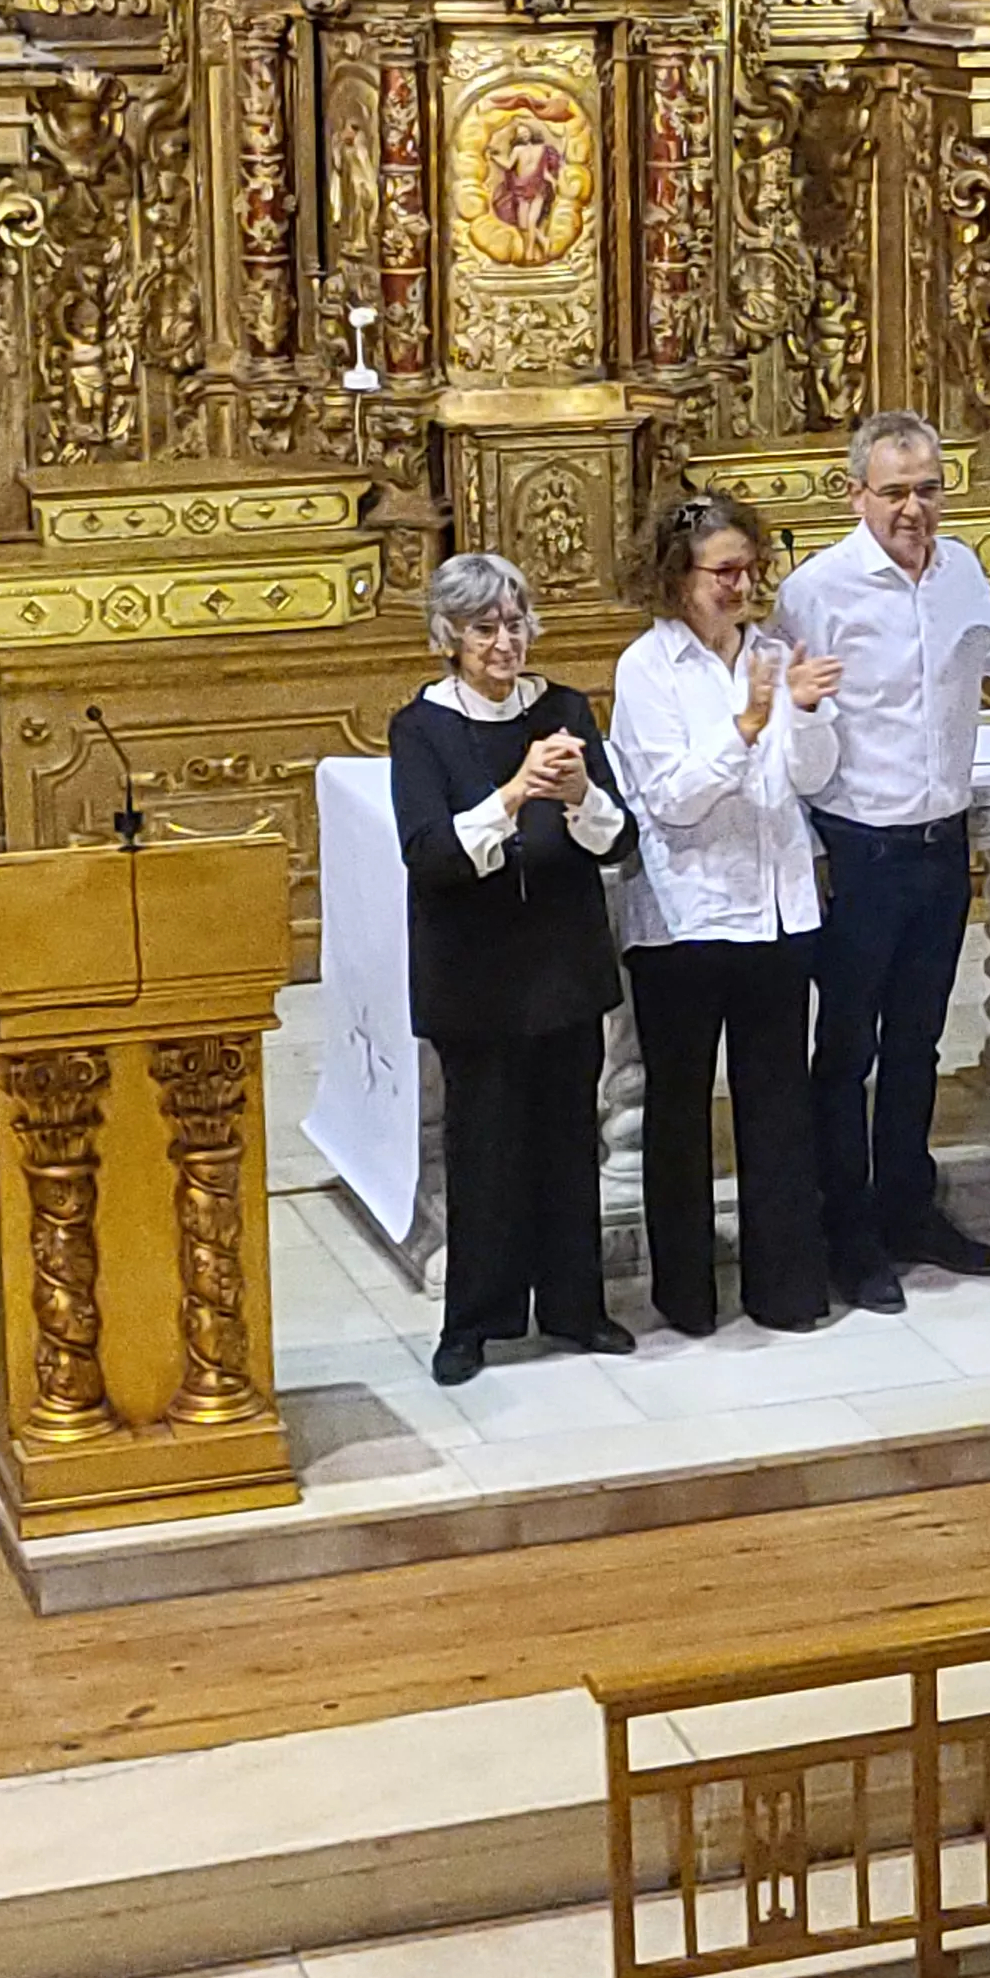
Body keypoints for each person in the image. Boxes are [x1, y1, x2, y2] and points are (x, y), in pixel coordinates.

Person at [773, 410, 990, 1311]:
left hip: (941, 845)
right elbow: (797, 726)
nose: (915, 508)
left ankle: (909, 1207)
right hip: (858, 849)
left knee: (917, 1041)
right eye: (896, 491)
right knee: (846, 1049)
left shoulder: (961, 570)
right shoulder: (817, 590)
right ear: (855, 493)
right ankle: (848, 1228)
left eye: (929, 489)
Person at [389, 552, 638, 1386]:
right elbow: (428, 854)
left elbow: (618, 840)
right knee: (484, 1149)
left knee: (571, 1141)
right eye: (485, 628)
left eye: (515, 623)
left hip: (563, 961)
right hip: (476, 971)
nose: (505, 642)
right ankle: (475, 1321)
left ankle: (577, 1308)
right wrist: (512, 793)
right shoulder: (420, 728)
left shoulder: (564, 707)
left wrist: (576, 798)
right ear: (450, 638)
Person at [610, 493, 846, 1339]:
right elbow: (670, 799)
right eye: (724, 572)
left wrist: (806, 712)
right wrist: (745, 725)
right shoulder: (647, 667)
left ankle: (786, 1288)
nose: (741, 585)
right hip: (686, 918)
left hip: (777, 909)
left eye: (750, 569)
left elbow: (812, 778)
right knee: (678, 1109)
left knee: (778, 1103)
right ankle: (686, 1296)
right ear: (678, 578)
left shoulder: (776, 653)